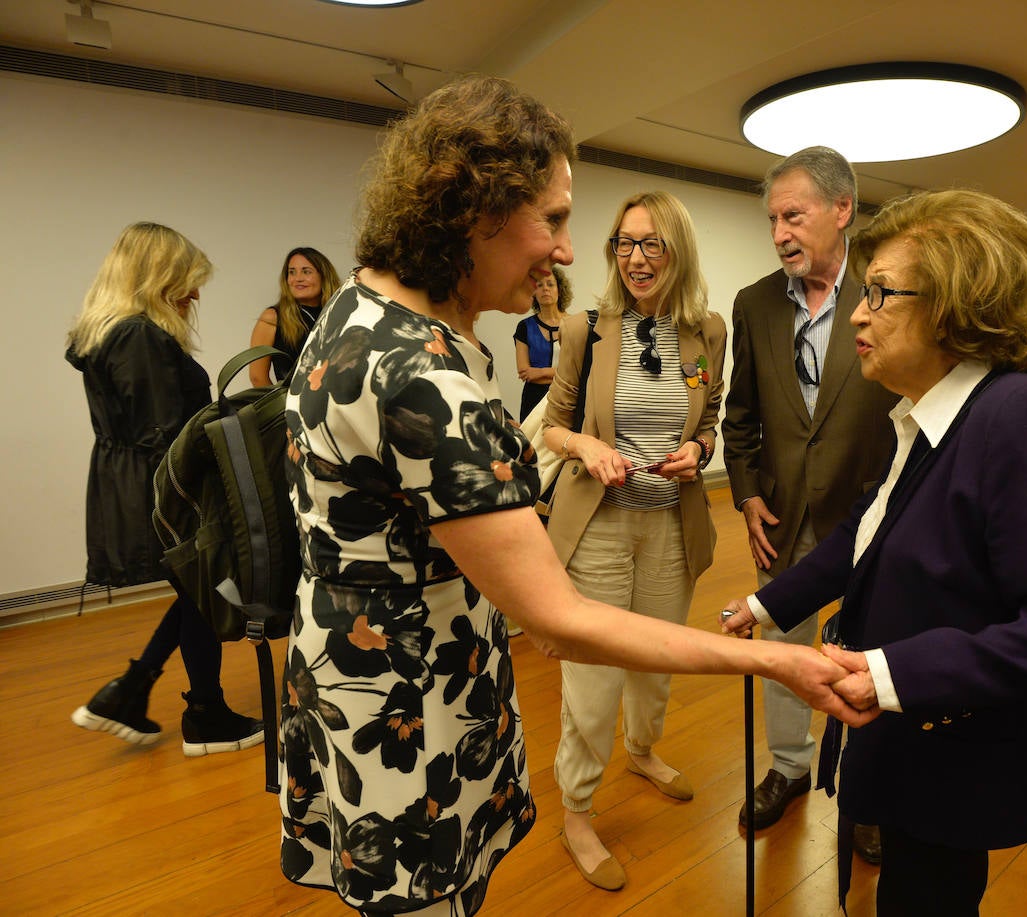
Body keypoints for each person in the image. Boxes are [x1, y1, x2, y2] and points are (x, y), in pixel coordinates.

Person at [277, 75, 870, 917]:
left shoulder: (357, 312)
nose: (566, 248)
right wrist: (778, 655)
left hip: (350, 667)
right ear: (474, 210)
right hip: (404, 705)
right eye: (551, 219)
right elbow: (558, 618)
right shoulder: (423, 373)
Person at [721, 189, 1027, 914]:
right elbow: (865, 531)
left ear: (957, 304)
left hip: (956, 743)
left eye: (879, 292)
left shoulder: (1023, 419)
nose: (858, 313)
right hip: (910, 729)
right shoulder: (926, 413)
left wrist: (887, 672)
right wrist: (763, 602)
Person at [539, 191, 727, 891]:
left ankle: (643, 751)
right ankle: (578, 808)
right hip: (600, 526)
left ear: (677, 252)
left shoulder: (709, 330)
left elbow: (710, 413)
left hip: (671, 523)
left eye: (652, 244)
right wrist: (585, 444)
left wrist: (700, 448)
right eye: (625, 242)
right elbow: (553, 424)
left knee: (656, 662)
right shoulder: (587, 328)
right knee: (592, 678)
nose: (637, 258)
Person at [722, 146, 896, 861]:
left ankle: (868, 792)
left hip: (877, 517)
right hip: (784, 520)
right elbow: (741, 416)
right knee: (785, 654)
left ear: (841, 210)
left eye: (792, 216)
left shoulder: (888, 293)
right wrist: (747, 492)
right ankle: (789, 766)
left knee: (872, 665)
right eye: (772, 220)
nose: (780, 233)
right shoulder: (755, 303)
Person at [67, 221, 265, 757]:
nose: (196, 292)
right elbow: (164, 436)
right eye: (187, 279)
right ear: (157, 275)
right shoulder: (138, 335)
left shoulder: (113, 331)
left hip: (139, 481)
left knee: (197, 594)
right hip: (164, 487)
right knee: (201, 588)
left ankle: (142, 696)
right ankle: (195, 713)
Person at [247, 246, 341, 387]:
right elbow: (257, 378)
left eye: (306, 272)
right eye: (292, 272)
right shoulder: (272, 318)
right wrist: (282, 408)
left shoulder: (339, 314)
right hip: (292, 407)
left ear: (324, 276)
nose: (298, 279)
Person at [512, 265, 570, 420]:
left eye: (550, 284)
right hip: (533, 400)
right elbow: (525, 373)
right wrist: (558, 373)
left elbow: (574, 372)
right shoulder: (524, 327)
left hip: (566, 399)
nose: (545, 289)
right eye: (539, 285)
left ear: (559, 289)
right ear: (533, 292)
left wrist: (540, 372)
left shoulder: (575, 324)